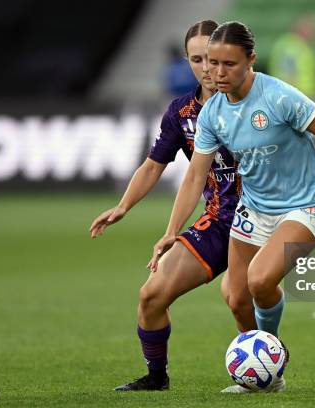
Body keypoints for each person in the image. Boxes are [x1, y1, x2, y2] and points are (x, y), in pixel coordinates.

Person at [148, 21, 315, 393]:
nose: (217, 73)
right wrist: (170, 232)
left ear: (251, 61)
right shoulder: (213, 114)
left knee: (260, 279)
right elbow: (195, 177)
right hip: (256, 206)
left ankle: (271, 356)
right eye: (212, 64)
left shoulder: (280, 98)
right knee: (234, 296)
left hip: (305, 204)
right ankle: (261, 374)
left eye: (229, 64)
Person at [89, 20, 242, 392]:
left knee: (241, 296)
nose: (207, 67)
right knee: (151, 295)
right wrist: (125, 206)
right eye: (196, 59)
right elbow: (155, 165)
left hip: (265, 218)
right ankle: (157, 378)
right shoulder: (182, 112)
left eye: (213, 57)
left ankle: (265, 372)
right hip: (220, 221)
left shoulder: (253, 101)